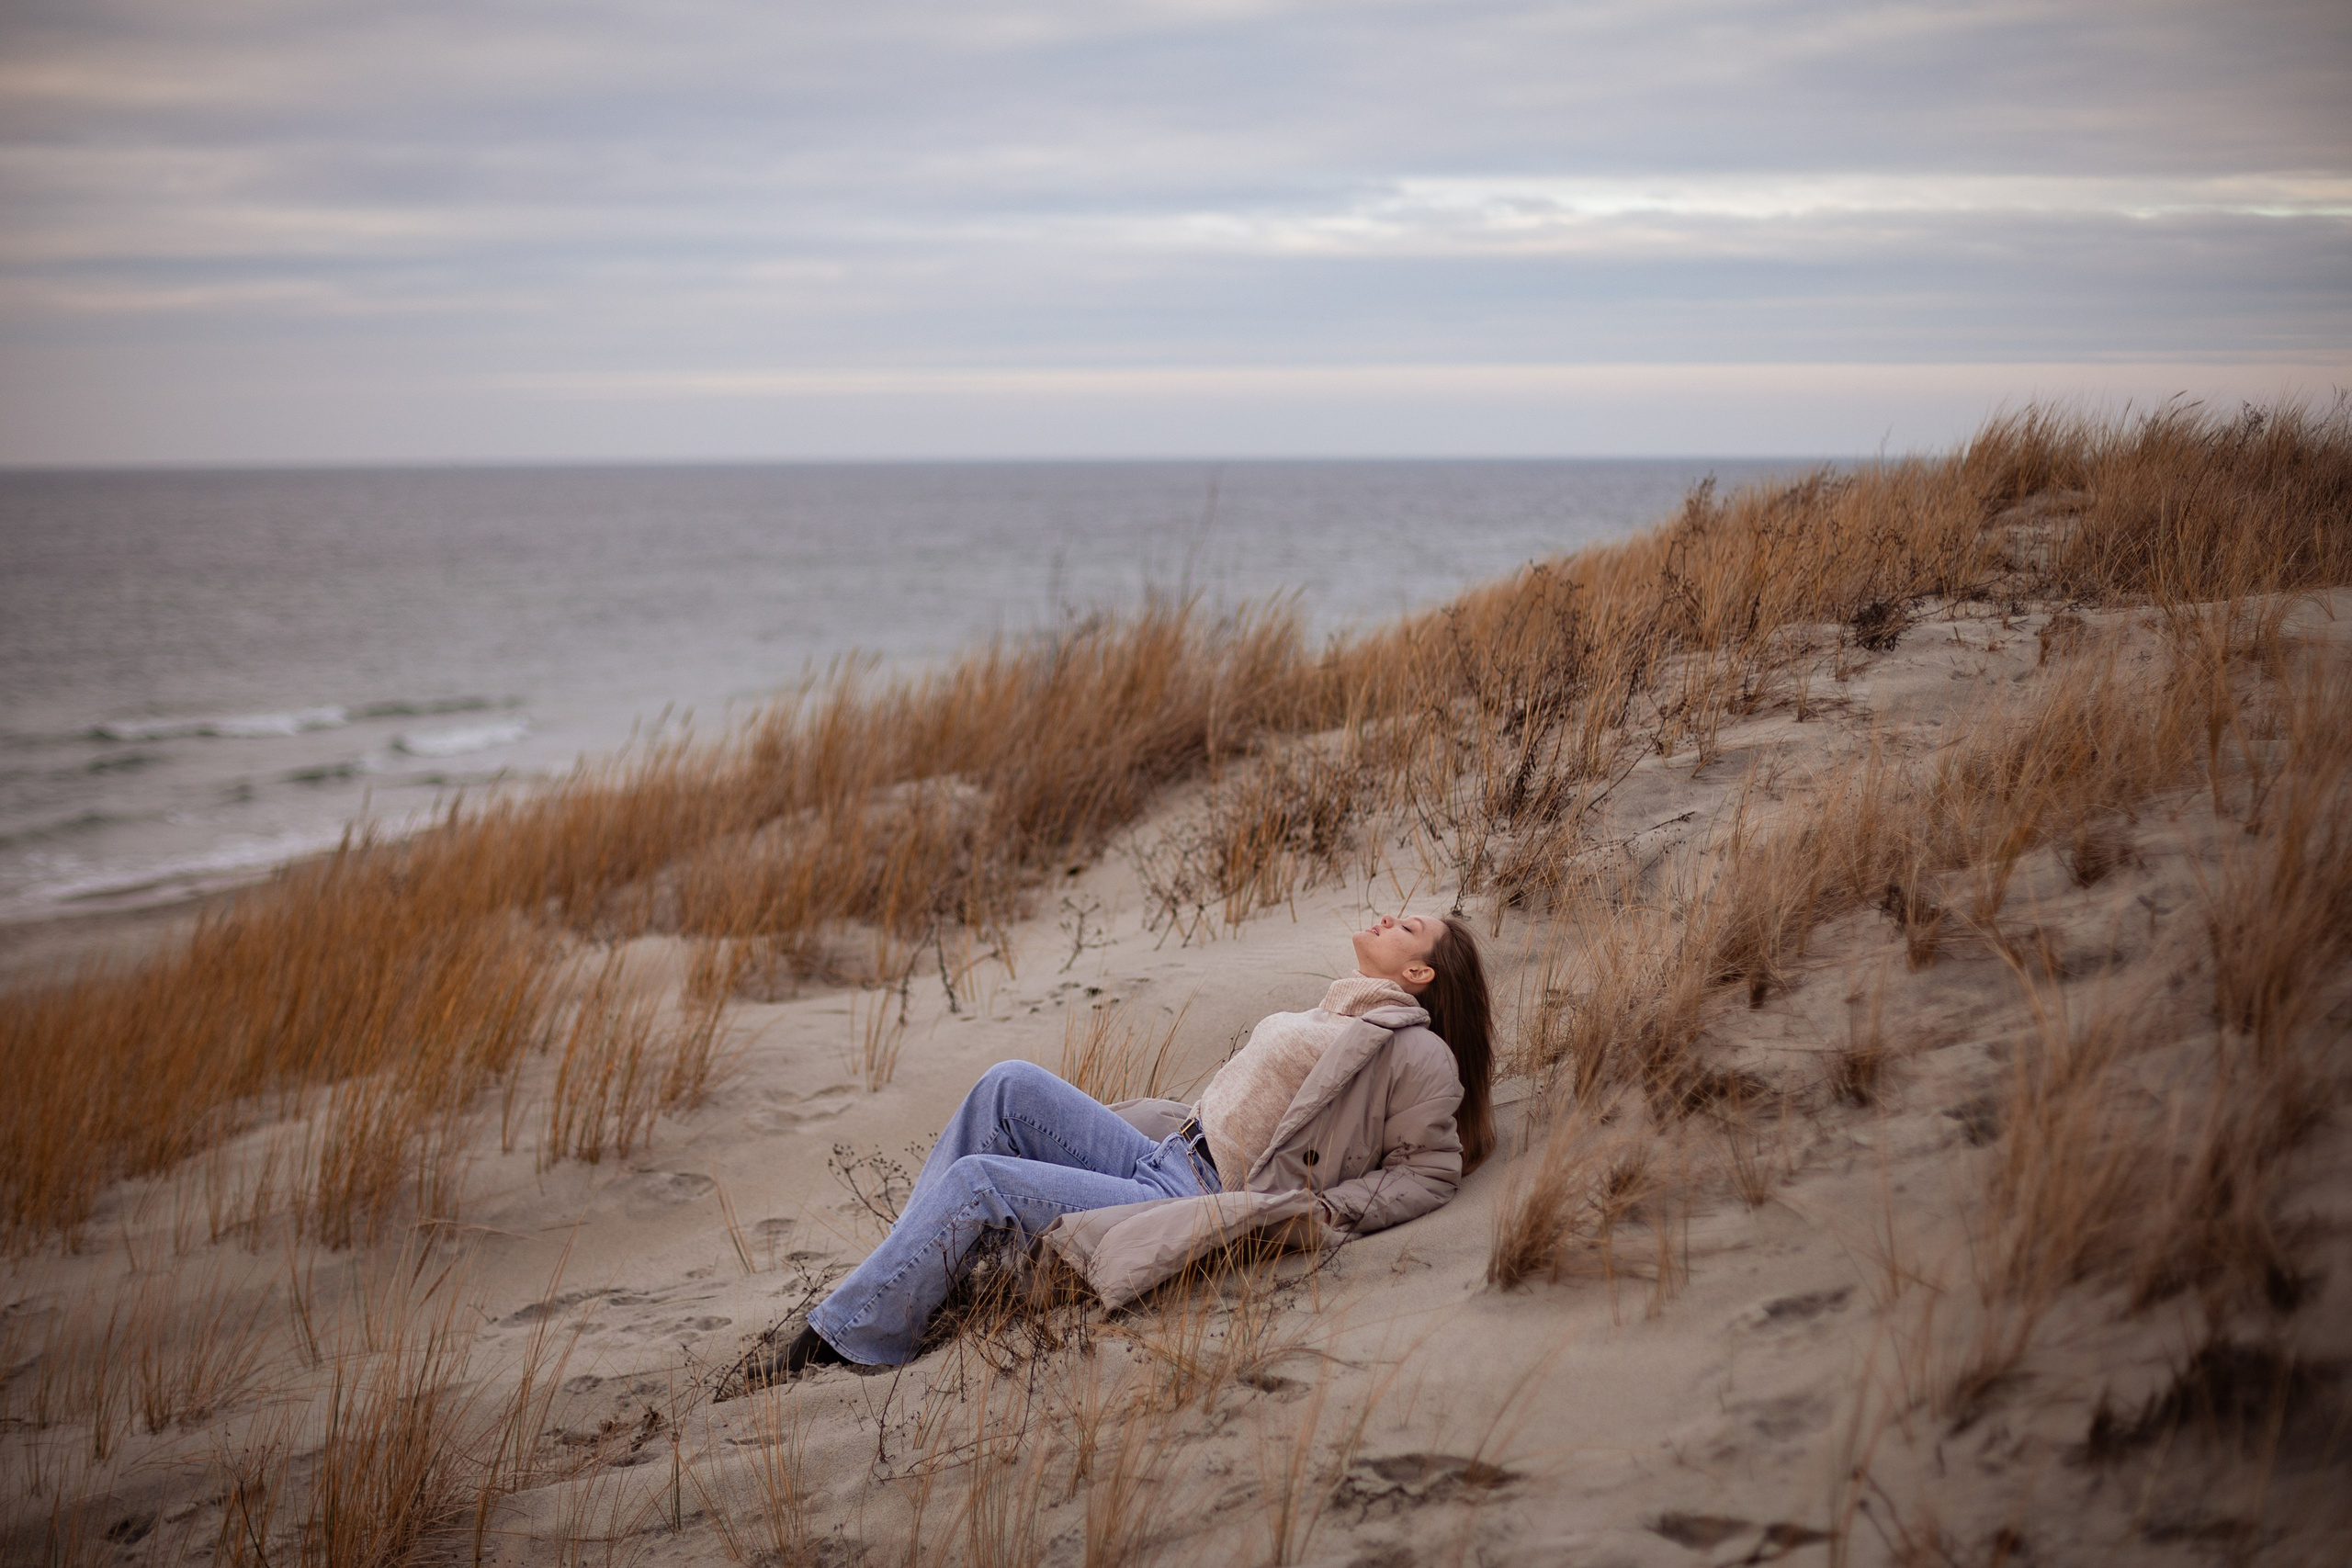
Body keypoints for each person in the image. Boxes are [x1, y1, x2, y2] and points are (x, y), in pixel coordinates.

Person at [755, 911, 1493, 1380]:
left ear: (1418, 973)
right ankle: (899, 1283)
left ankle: (846, 1338)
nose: (1389, 916)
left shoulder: (1413, 1051)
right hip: (1168, 1151)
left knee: (981, 1180)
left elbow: (1430, 1171)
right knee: (1005, 1084)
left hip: (1193, 1195)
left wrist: (1319, 1208)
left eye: (1408, 927)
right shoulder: (1342, 1005)